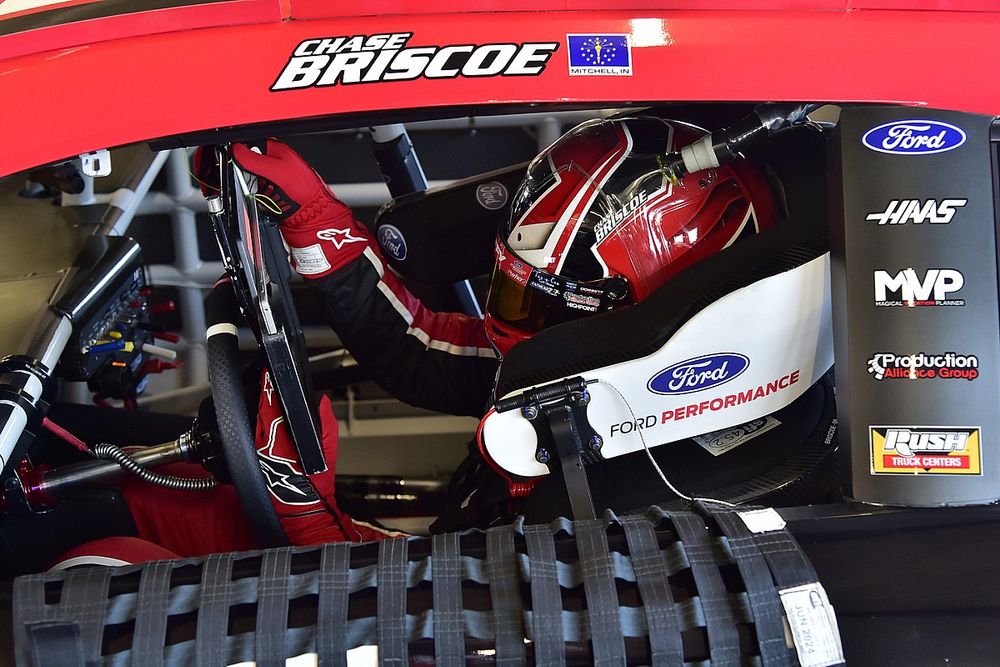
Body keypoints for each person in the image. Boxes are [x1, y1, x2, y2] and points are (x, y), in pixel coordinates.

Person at [220, 115, 775, 533]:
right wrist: (315, 221)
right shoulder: (573, 364)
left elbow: (439, 620)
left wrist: (312, 522)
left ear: (656, 314)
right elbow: (420, 349)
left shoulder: (670, 493)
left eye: (544, 309)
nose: (513, 330)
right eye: (512, 291)